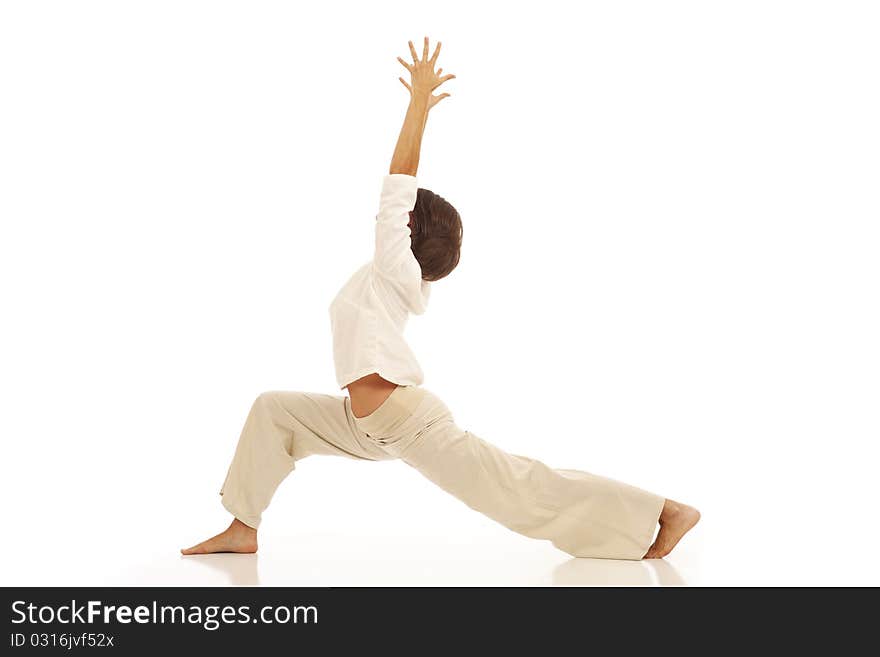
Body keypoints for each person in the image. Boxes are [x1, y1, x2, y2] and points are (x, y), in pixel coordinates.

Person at [181, 37, 700, 561]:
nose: (381, 222)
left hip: (406, 420)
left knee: (518, 487)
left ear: (402, 231)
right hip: (366, 426)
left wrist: (417, 106)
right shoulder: (387, 279)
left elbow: (398, 185)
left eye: (393, 222)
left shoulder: (394, 267)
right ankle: (242, 527)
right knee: (274, 411)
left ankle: (662, 510)